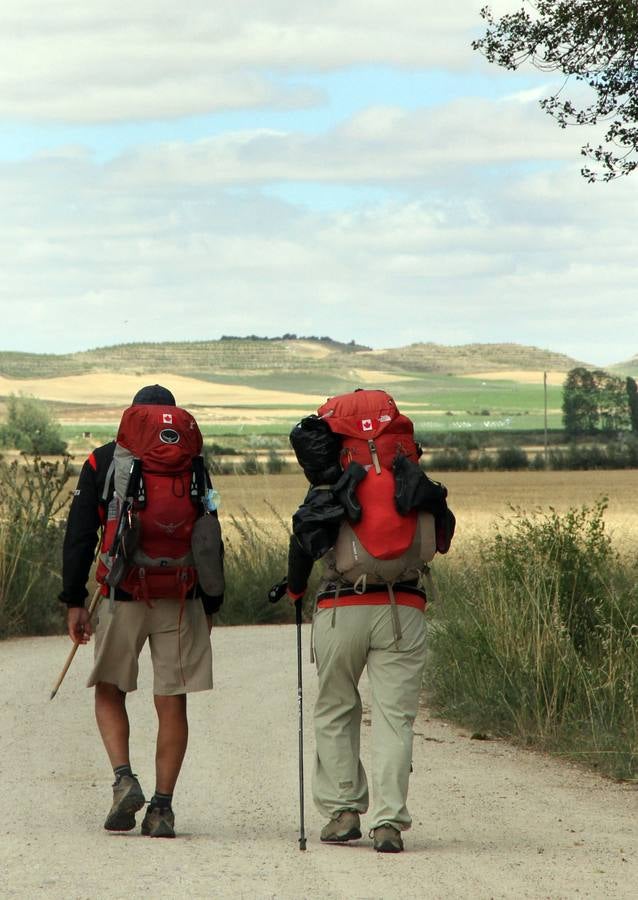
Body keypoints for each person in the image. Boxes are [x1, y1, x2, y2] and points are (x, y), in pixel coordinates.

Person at [284, 393, 454, 853]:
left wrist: (296, 590)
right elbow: (443, 534)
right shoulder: (406, 468)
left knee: (337, 707)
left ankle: (342, 813)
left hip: (342, 608)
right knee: (394, 718)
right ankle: (388, 824)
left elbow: (304, 537)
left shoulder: (332, 476)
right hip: (404, 606)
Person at [59, 384, 223, 839]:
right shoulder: (193, 463)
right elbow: (210, 535)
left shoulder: (104, 459)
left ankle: (123, 779)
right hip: (183, 596)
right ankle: (163, 808)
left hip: (123, 594)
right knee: (172, 701)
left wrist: (74, 600)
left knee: (109, 690)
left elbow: (79, 534)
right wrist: (211, 602)